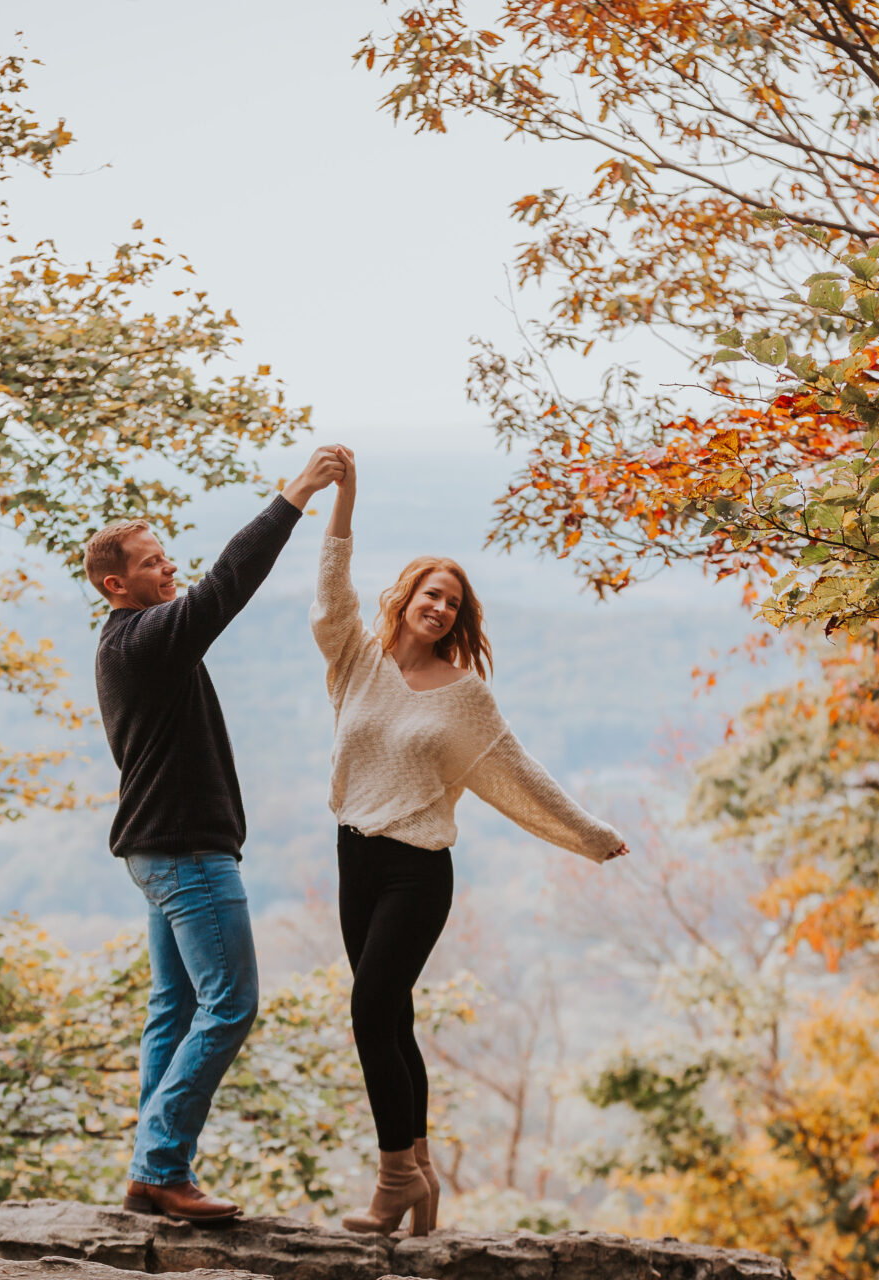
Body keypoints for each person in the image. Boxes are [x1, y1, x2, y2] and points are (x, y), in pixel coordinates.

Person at [309, 448, 628, 1237]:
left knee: (369, 1012)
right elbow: (329, 591)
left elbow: (521, 776)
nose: (441, 609)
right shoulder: (358, 659)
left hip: (418, 872)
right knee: (394, 1021)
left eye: (453, 603)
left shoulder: (466, 699)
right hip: (355, 858)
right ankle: (422, 1176)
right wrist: (341, 499)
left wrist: (590, 836)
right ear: (407, 597)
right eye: (431, 594)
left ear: (460, 617)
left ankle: (393, 1183)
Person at [87, 444, 348, 1224]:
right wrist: (297, 493)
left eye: (168, 559)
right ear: (116, 584)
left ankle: (152, 1171)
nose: (170, 570)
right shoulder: (146, 640)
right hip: (187, 854)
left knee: (174, 1007)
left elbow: (208, 586)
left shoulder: (130, 643)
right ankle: (161, 1164)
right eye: (153, 563)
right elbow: (230, 581)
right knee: (230, 1004)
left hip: (159, 852)